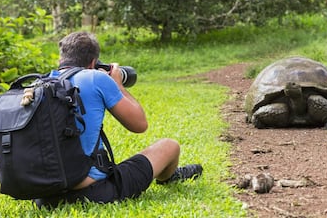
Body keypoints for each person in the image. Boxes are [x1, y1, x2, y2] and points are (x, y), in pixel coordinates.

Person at [35, 31, 203, 207]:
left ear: (60, 60)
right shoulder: (95, 78)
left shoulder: (39, 84)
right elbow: (139, 125)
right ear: (93, 62)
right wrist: (118, 85)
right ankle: (169, 177)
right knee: (170, 146)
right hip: (93, 191)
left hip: (45, 194)